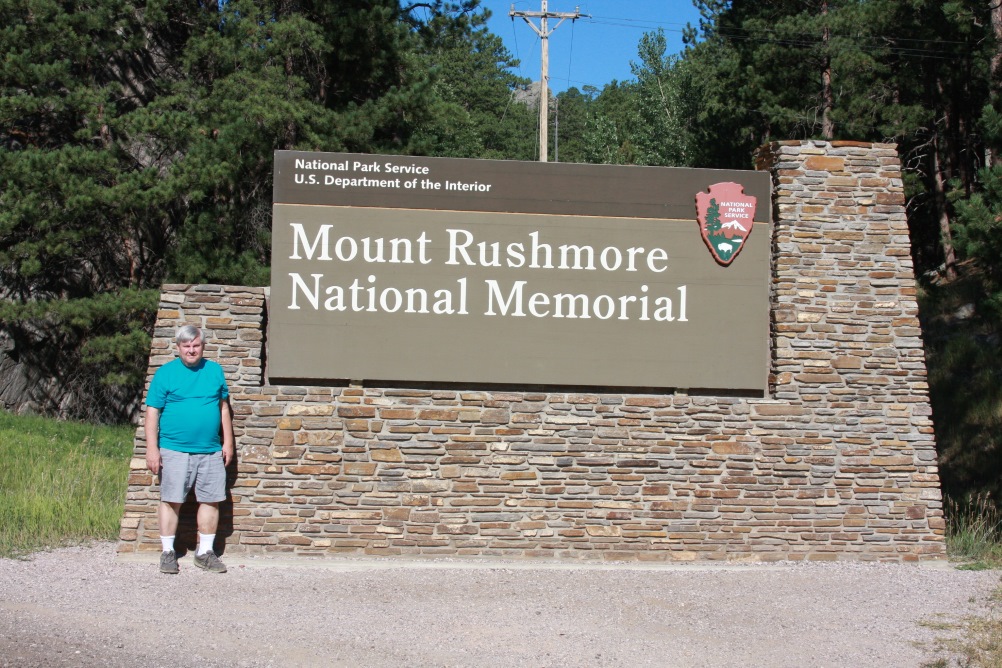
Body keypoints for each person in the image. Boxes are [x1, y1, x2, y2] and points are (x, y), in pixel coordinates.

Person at [144, 325, 234, 574]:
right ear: (178, 348)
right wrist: (152, 449)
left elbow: (223, 408)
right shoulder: (166, 374)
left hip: (210, 449)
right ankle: (168, 552)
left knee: (211, 500)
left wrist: (228, 442)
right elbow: (152, 412)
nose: (191, 350)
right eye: (186, 346)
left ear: (202, 346)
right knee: (171, 500)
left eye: (195, 345)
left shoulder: (214, 371)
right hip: (174, 449)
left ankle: (205, 553)